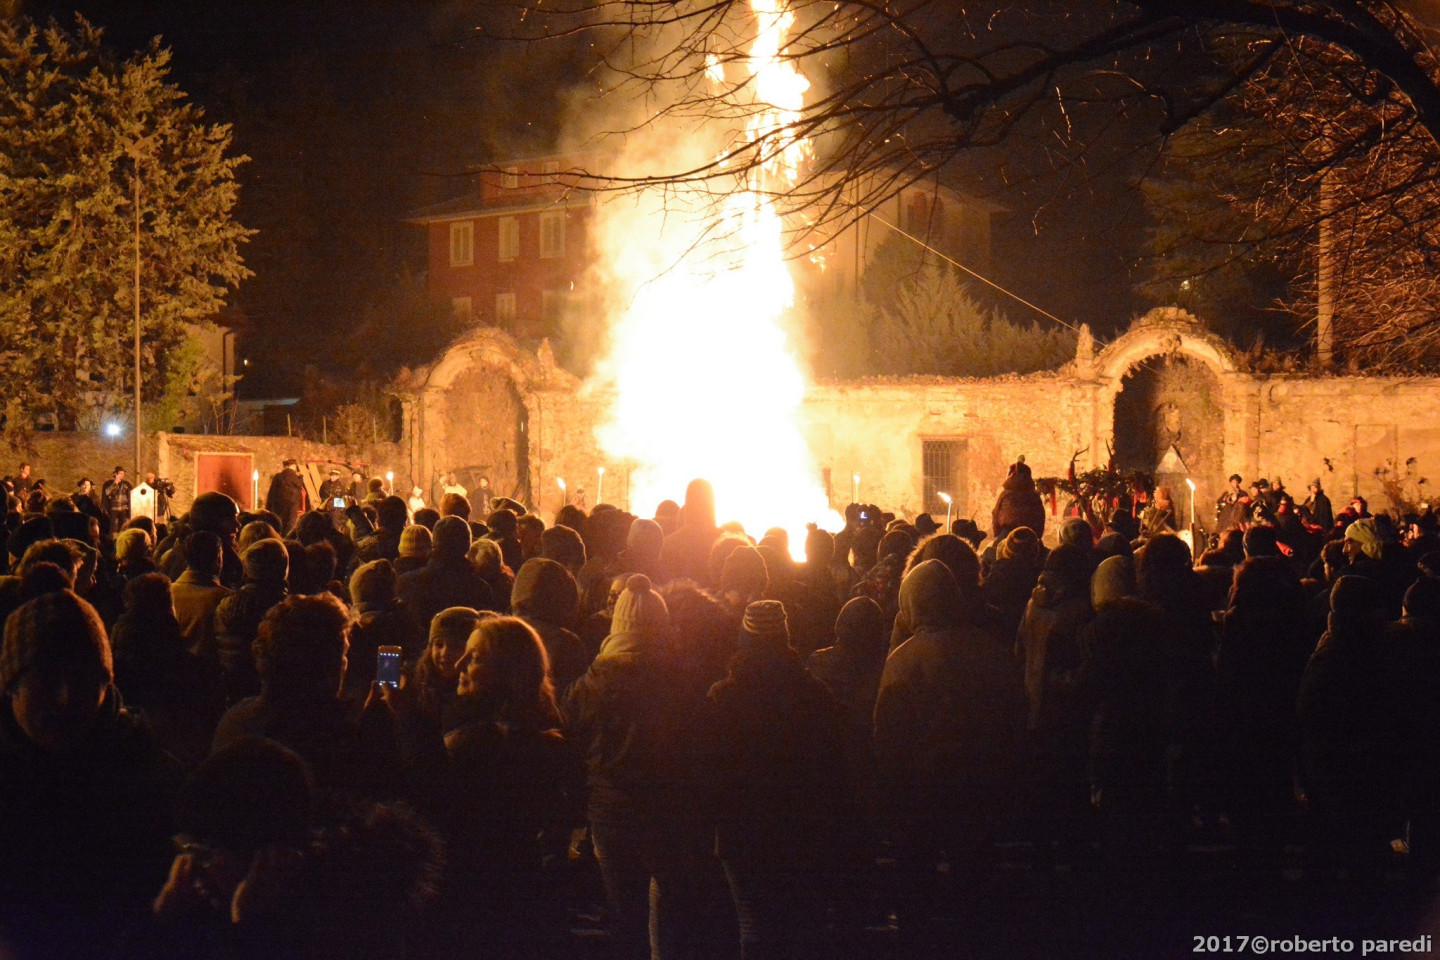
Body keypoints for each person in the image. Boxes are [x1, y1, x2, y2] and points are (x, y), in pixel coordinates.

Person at [0, 590, 179, 959]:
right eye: (47, 680)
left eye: (83, 681)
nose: (65, 699)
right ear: (11, 685)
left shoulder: (147, 775)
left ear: (105, 685)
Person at [992, 456, 1046, 540]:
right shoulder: (1034, 496)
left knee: (994, 550)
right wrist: (1038, 535)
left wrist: (997, 533)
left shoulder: (1005, 494)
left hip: (1007, 531)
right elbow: (1041, 516)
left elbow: (995, 513)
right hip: (1030, 532)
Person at [265, 459, 309, 534]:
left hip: (279, 505)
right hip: (291, 505)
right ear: (291, 466)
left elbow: (272, 492)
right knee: (289, 524)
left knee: (279, 523)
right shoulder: (294, 477)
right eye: (294, 465)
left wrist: (268, 506)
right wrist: (301, 478)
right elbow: (300, 486)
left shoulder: (278, 477)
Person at [102, 465, 133, 535]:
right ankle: (111, 539)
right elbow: (107, 492)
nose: (122, 475)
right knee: (112, 526)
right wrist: (115, 484)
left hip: (124, 508)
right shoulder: (109, 483)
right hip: (113, 508)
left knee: (123, 526)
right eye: (120, 473)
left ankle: (121, 537)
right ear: (115, 474)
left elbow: (132, 492)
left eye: (123, 474)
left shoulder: (126, 484)